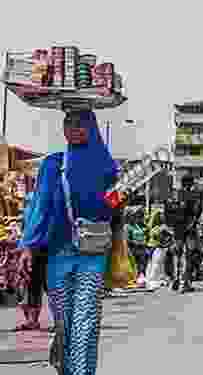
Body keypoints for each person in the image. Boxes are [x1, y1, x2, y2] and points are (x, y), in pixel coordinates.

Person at [17, 110, 119, 375]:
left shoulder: (108, 168)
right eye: (67, 123)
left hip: (92, 255)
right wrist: (28, 245)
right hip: (58, 256)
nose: (73, 128)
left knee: (86, 322)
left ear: (92, 127)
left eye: (80, 123)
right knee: (64, 323)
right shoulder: (53, 164)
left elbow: (113, 210)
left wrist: (116, 201)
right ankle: (68, 368)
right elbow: (40, 207)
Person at [14, 192, 49, 331]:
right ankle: (32, 320)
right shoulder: (33, 206)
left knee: (42, 285)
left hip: (42, 248)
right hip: (36, 249)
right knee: (35, 285)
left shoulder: (39, 206)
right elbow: (25, 229)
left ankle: (34, 320)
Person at [167, 175, 203, 293]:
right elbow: (196, 212)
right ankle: (185, 283)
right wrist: (193, 225)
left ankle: (175, 280)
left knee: (176, 254)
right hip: (189, 229)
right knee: (190, 255)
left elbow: (167, 212)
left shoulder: (173, 195)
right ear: (191, 183)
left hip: (177, 229)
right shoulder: (193, 195)